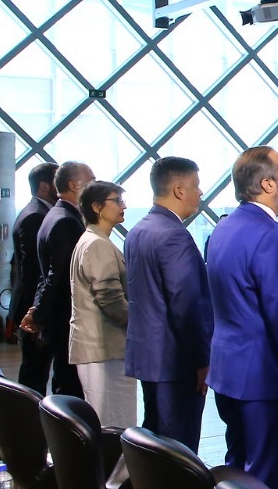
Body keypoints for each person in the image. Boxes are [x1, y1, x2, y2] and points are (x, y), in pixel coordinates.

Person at [205, 146, 278, 489]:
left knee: (236, 473)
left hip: (228, 373)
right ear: (267, 184)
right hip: (265, 379)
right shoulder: (271, 237)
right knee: (266, 486)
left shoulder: (222, 229)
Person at [123, 156, 212, 451]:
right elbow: (186, 306)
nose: (200, 192)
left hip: (149, 357)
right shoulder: (175, 236)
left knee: (155, 443)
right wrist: (203, 360)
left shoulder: (138, 231)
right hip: (176, 362)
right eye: (196, 186)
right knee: (178, 450)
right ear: (179, 190)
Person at [23, 160, 95, 397]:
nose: (95, 186)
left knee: (64, 381)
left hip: (57, 317)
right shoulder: (66, 221)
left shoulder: (55, 214)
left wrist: (37, 310)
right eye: (91, 181)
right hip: (66, 319)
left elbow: (46, 275)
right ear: (74, 185)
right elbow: (59, 275)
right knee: (69, 386)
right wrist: (39, 316)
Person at [69, 180, 137, 428]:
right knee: (114, 424)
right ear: (96, 207)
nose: (123, 206)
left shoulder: (93, 240)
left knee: (110, 421)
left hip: (101, 347)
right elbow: (110, 299)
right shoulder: (97, 244)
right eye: (117, 201)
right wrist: (142, 325)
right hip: (104, 348)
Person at [11, 162, 59, 393]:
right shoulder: (35, 217)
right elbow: (33, 272)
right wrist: (37, 315)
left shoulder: (36, 212)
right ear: (44, 186)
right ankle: (27, 414)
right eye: (58, 181)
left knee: (36, 371)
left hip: (32, 307)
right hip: (33, 308)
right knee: (35, 374)